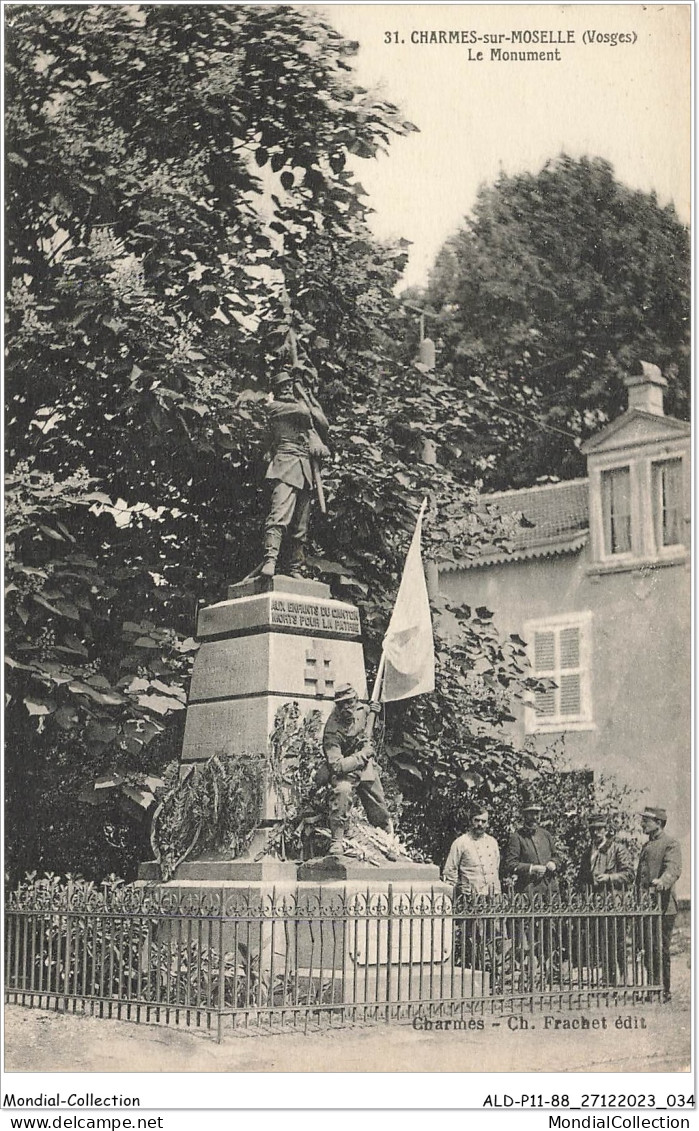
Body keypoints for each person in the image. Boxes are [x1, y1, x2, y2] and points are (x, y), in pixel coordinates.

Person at [262, 369, 330, 578]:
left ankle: (294, 567)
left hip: (305, 471)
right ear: (276, 390)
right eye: (283, 386)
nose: (287, 389)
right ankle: (270, 560)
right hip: (284, 466)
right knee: (279, 516)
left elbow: (323, 424)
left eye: (290, 385)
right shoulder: (276, 408)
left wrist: (317, 441)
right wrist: (304, 394)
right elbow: (304, 413)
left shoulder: (301, 412)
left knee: (300, 526)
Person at [322, 683, 392, 857]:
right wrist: (362, 755)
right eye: (342, 704)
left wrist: (375, 714)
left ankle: (387, 840)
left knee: (378, 802)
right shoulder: (332, 729)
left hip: (365, 767)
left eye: (350, 702)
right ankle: (337, 840)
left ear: (355, 700)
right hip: (345, 771)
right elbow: (337, 765)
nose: (347, 707)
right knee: (342, 792)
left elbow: (372, 727)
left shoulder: (364, 710)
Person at [578, 812, 634, 985]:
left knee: (617, 942)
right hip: (596, 903)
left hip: (614, 902)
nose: (596, 833)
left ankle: (623, 977)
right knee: (602, 942)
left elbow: (629, 874)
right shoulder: (588, 852)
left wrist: (610, 878)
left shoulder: (617, 848)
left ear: (606, 830)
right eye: (592, 830)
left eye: (599, 829)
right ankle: (609, 979)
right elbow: (582, 877)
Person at [636, 805, 682, 1002]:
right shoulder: (647, 846)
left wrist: (663, 881)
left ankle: (664, 990)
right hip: (646, 906)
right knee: (648, 948)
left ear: (659, 823)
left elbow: (673, 868)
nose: (642, 824)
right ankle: (653, 987)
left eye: (646, 820)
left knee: (660, 949)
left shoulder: (670, 843)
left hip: (663, 906)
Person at [503, 791, 559, 897]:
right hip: (529, 889)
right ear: (524, 815)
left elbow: (556, 857)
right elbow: (510, 864)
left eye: (537, 813)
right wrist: (531, 868)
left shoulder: (546, 835)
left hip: (550, 889)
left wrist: (553, 863)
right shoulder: (517, 837)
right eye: (531, 813)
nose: (534, 817)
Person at [443, 806, 501, 897]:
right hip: (470, 896)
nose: (480, 824)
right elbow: (450, 870)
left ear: (487, 823)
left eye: (483, 821)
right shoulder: (461, 842)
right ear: (471, 821)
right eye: (477, 820)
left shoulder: (492, 842)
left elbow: (496, 866)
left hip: (492, 895)